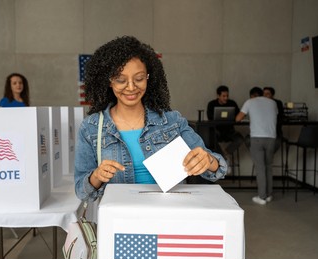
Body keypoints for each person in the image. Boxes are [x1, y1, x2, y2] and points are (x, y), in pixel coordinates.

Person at [74, 36, 227, 202]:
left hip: (168, 219)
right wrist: (97, 176)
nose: (131, 87)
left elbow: (217, 170)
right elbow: (82, 192)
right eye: (121, 80)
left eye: (139, 78)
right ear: (109, 81)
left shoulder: (171, 121)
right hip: (120, 221)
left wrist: (207, 160)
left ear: (148, 77)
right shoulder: (91, 128)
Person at [235, 87, 278, 205]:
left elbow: (238, 118)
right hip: (271, 138)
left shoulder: (250, 102)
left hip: (257, 138)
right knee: (268, 166)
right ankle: (269, 195)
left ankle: (262, 197)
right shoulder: (273, 102)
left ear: (252, 95)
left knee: (260, 168)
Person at [206, 85, 244, 156]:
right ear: (218, 96)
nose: (226, 98)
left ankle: (224, 154)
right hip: (217, 131)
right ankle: (217, 157)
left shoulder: (232, 103)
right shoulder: (211, 104)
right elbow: (210, 118)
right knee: (211, 139)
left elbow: (238, 116)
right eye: (223, 96)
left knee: (239, 139)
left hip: (230, 131)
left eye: (227, 96)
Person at [263, 86, 285, 151]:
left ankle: (267, 158)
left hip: (275, 131)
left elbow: (280, 116)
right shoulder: (260, 103)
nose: (265, 95)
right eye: (264, 94)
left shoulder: (277, 103)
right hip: (263, 132)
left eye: (267, 94)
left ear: (272, 95)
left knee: (276, 141)